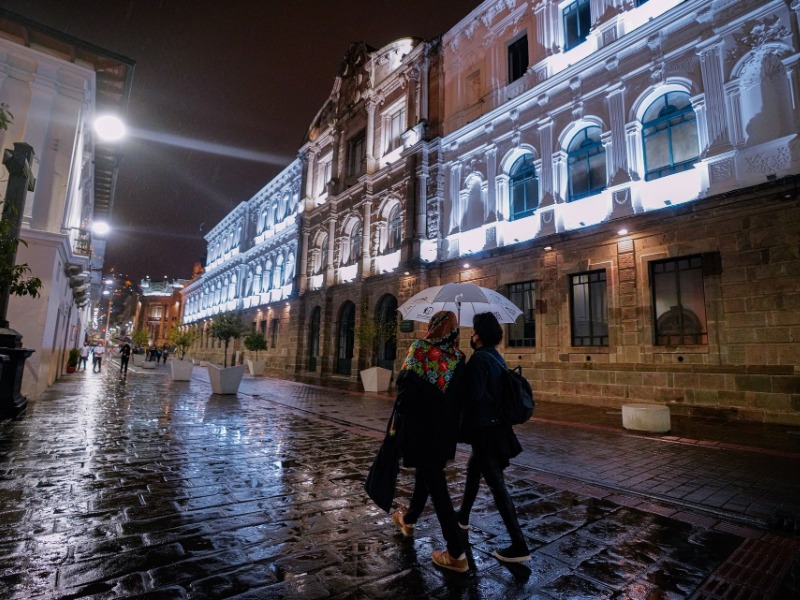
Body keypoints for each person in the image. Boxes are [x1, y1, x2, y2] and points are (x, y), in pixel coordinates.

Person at [389, 311, 469, 573]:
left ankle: (456, 551)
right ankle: (409, 520)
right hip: (445, 432)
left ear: (434, 327)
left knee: (436, 483)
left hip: (421, 427)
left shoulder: (420, 348)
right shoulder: (459, 358)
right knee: (428, 473)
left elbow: (404, 385)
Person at [456, 311, 530, 563]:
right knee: (473, 469)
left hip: (486, 431)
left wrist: (459, 373)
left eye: (474, 331)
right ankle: (462, 518)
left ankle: (519, 545)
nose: (471, 335)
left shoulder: (479, 360)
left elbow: (472, 396)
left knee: (498, 487)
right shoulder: (496, 356)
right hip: (495, 428)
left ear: (480, 335)